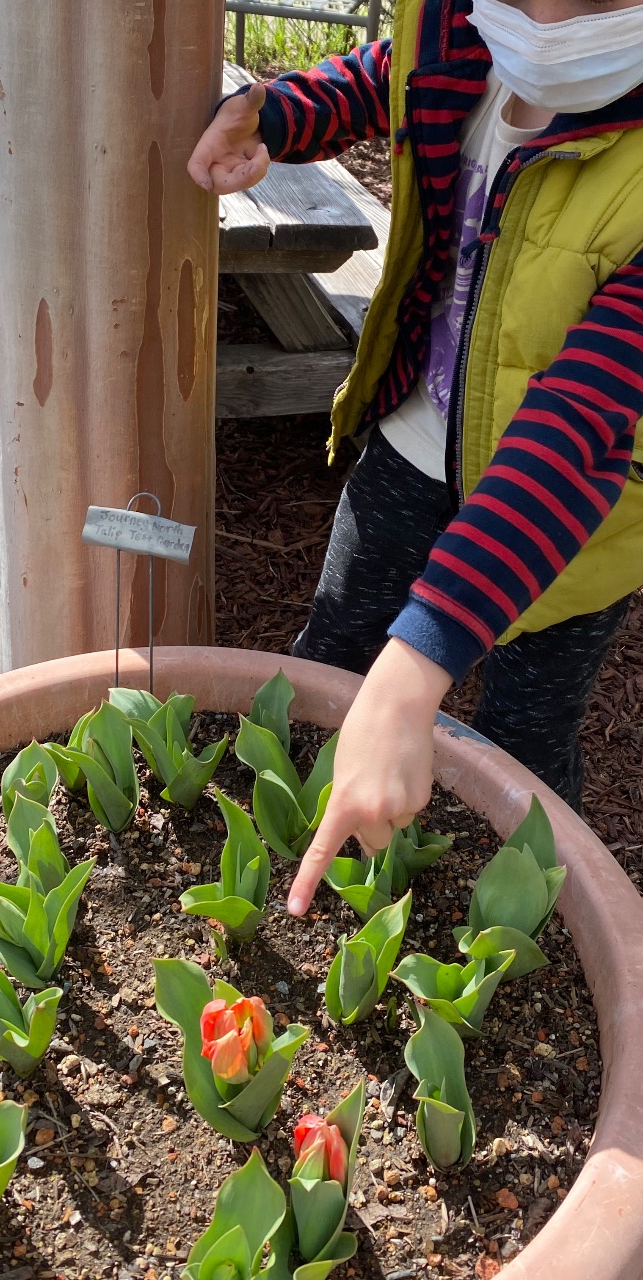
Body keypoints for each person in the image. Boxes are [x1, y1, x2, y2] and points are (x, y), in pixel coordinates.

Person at [188, 0, 643, 917]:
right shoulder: (458, 35)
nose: (536, 16)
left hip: (570, 536)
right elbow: (382, 79)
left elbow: (585, 419)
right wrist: (274, 113)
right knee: (337, 653)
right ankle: (296, 836)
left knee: (523, 738)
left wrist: (420, 665)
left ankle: (512, 927)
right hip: (407, 442)